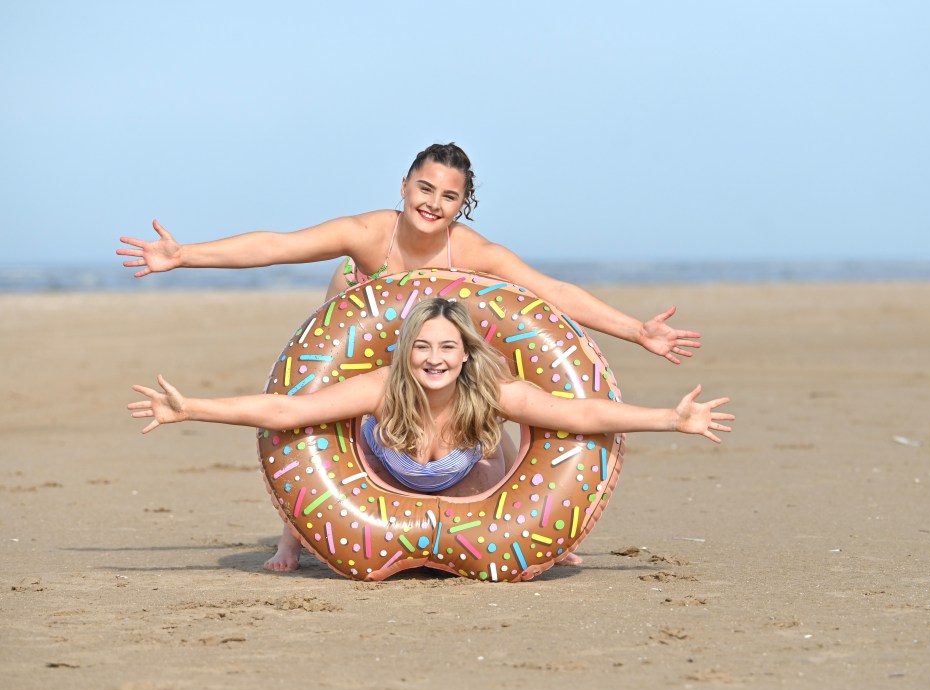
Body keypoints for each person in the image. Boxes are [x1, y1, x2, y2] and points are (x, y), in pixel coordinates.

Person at [117, 142, 704, 571]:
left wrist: (637, 332)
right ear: (405, 185)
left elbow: (554, 294)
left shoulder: (472, 252)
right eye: (425, 189)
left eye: (449, 197)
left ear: (462, 206)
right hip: (369, 334)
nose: (433, 202)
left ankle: (542, 525)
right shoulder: (370, 234)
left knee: (488, 397)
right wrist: (184, 255)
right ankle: (294, 532)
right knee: (317, 392)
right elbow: (277, 245)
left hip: (444, 353)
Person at [129, 299, 735, 574]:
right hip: (379, 468)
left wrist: (670, 419)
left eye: (447, 346)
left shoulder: (490, 391)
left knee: (494, 464)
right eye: (422, 346)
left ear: (466, 353)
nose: (434, 358)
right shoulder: (383, 388)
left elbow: (575, 416)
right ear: (407, 352)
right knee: (316, 443)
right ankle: (290, 540)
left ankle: (550, 540)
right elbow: (288, 413)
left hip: (462, 478)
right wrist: (194, 409)